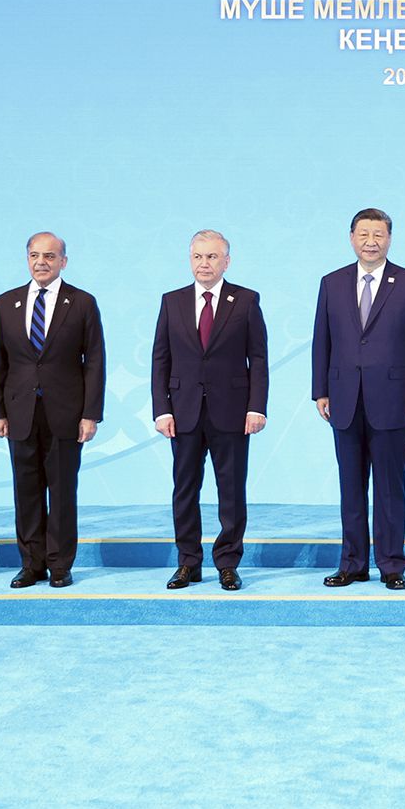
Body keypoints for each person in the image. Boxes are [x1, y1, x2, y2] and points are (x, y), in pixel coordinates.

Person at [311, 208, 405, 590]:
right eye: (363, 234)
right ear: (351, 238)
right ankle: (352, 562)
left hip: (394, 400)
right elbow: (322, 341)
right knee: (351, 486)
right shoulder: (331, 283)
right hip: (344, 399)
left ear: (389, 239)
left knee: (389, 487)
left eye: (378, 234)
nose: (370, 241)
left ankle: (392, 565)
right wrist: (320, 390)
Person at [151, 230, 268, 592]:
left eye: (213, 257)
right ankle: (188, 562)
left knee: (231, 489)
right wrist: (161, 410)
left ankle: (228, 563)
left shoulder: (246, 300)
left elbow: (259, 358)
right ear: (190, 260)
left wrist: (256, 407)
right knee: (184, 489)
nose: (205, 264)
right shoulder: (172, 301)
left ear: (226, 261)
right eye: (198, 257)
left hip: (232, 412)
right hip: (182, 412)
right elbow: (160, 359)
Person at [0, 232, 103, 589]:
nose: (41, 262)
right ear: (27, 259)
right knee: (26, 490)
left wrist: (90, 414)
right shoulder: (6, 303)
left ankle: (60, 565)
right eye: (35, 255)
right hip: (19, 412)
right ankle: (31, 564)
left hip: (66, 413)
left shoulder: (81, 302)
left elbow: (94, 361)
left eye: (50, 256)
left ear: (63, 261)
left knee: (63, 491)